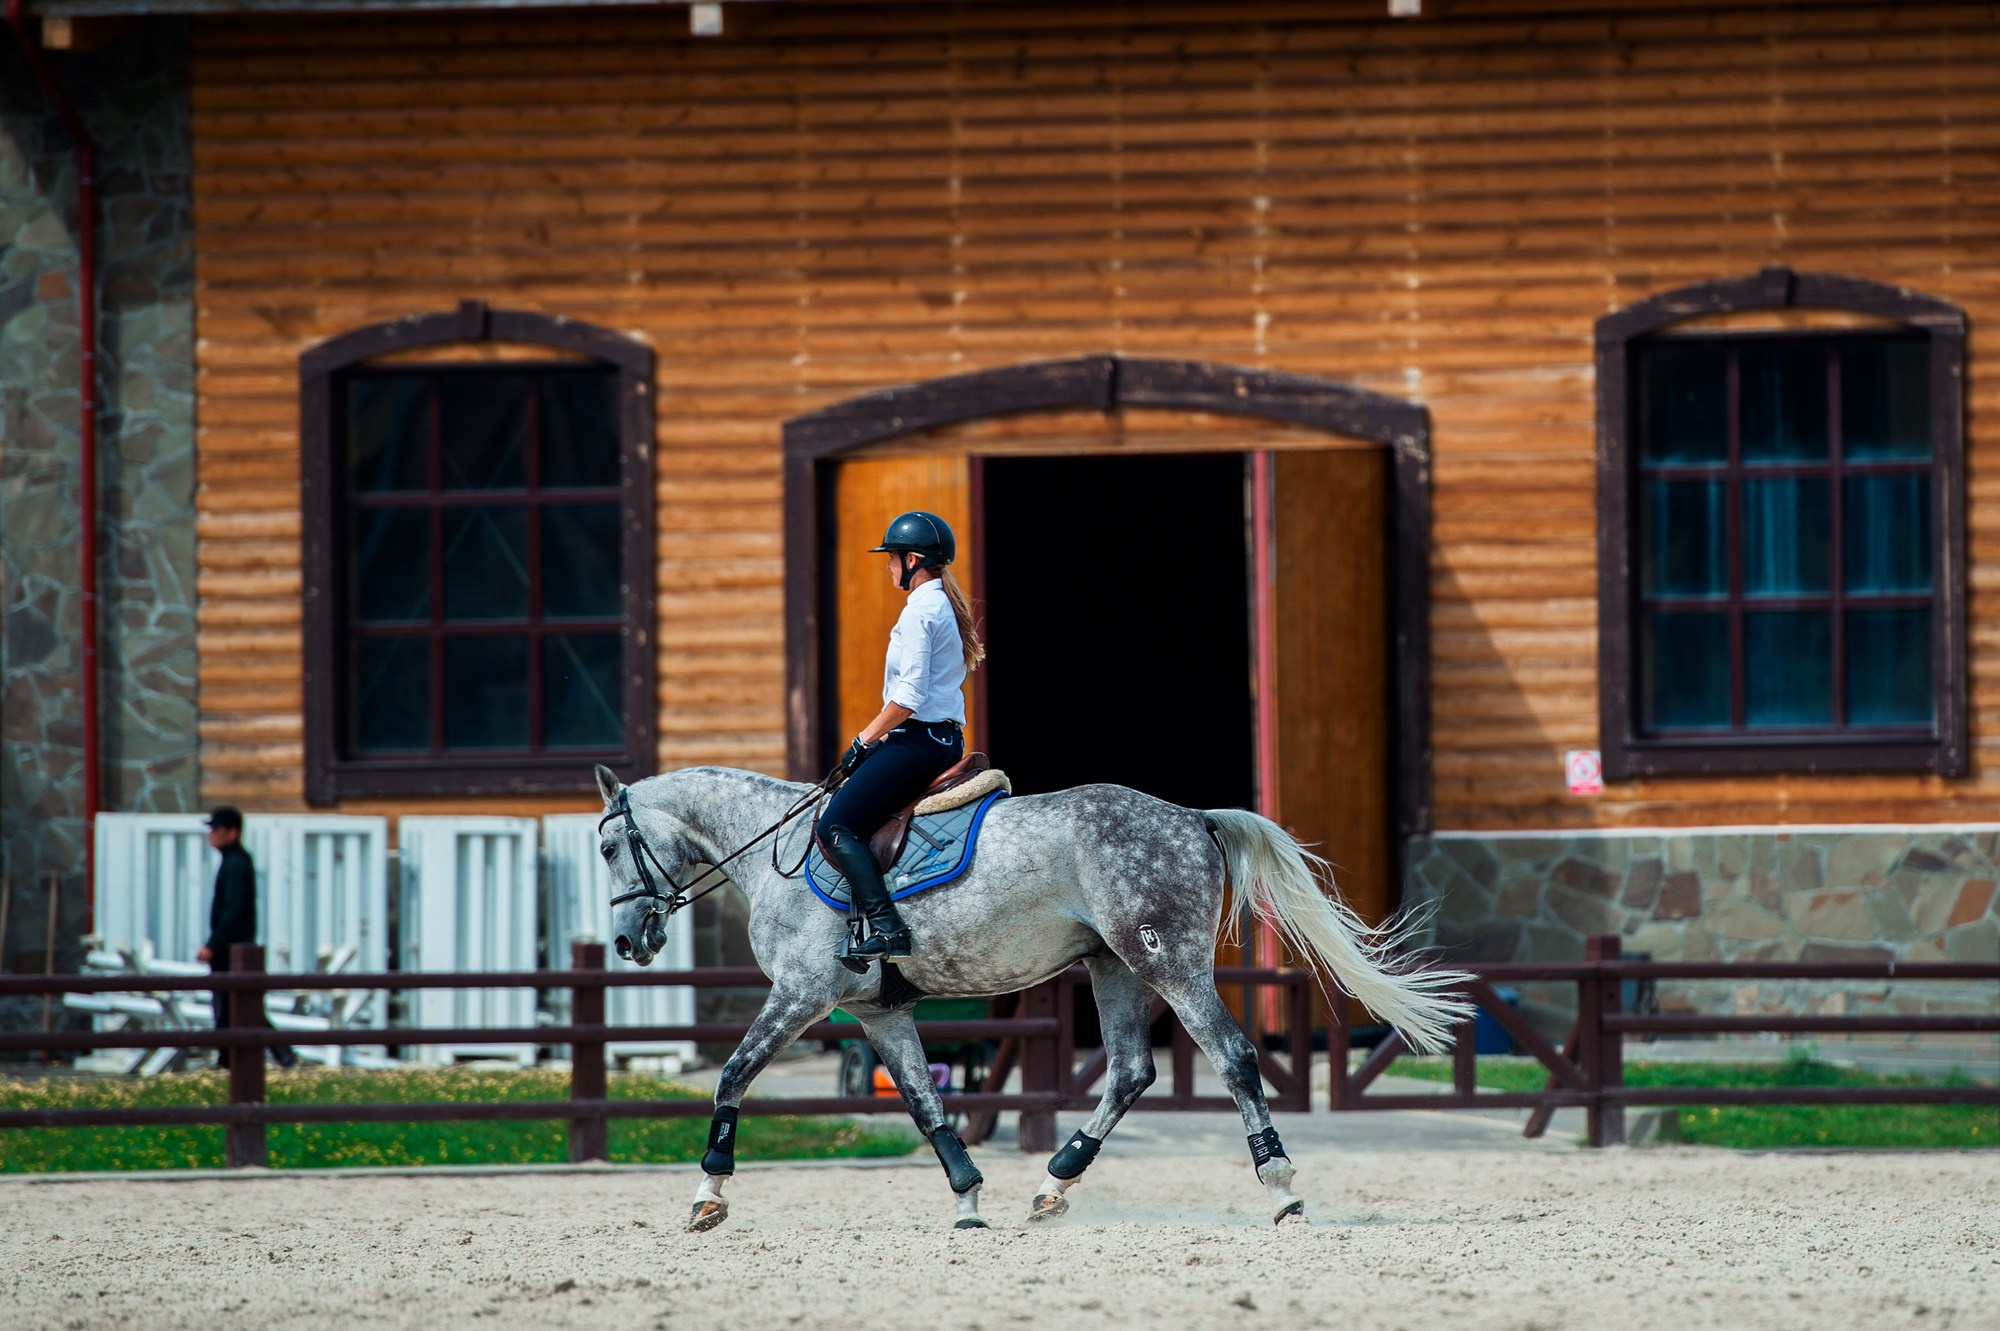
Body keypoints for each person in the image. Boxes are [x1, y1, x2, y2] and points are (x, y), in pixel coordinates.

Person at [816, 511, 985, 965]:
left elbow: (907, 697)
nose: (889, 567)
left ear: (912, 560)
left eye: (892, 559)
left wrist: (863, 741)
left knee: (834, 825)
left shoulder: (919, 612)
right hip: (940, 738)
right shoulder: (941, 604)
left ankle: (888, 928)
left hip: (919, 740)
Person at [196, 806, 295, 1069]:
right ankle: (273, 1054)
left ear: (232, 832)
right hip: (233, 948)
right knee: (240, 1008)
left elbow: (234, 909)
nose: (211, 835)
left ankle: (233, 1062)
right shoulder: (234, 861)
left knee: (233, 1008)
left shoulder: (237, 864)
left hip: (232, 951)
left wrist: (213, 943)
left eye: (216, 830)